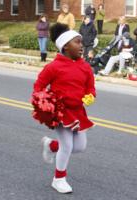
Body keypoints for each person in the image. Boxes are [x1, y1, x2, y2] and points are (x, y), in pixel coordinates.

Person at [32, 23, 96, 194]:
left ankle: (51, 145)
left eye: (81, 42)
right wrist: (45, 101)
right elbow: (39, 86)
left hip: (78, 112)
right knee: (67, 146)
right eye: (77, 42)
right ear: (66, 46)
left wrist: (90, 97)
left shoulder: (85, 67)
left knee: (80, 147)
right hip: (61, 112)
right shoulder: (54, 66)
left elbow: (90, 88)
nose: (81, 46)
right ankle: (59, 179)